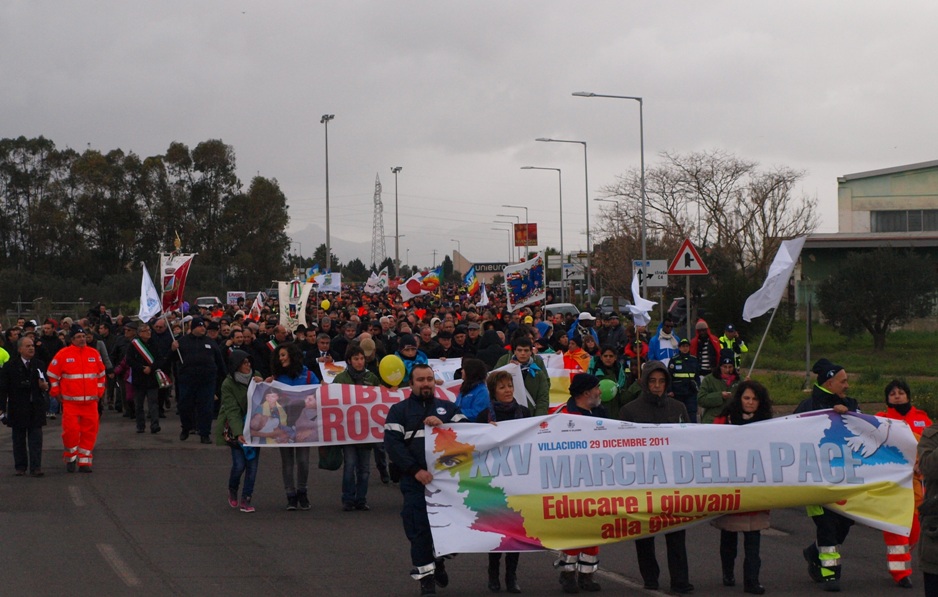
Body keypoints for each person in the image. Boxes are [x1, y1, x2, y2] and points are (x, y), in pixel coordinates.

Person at [384, 363, 467, 597]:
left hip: (448, 483)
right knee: (418, 529)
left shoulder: (450, 409)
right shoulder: (399, 411)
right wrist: (414, 470)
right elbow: (393, 444)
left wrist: (445, 427)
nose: (426, 384)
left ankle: (439, 558)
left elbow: (470, 435)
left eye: (429, 379)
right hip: (416, 482)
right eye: (420, 380)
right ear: (411, 384)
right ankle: (427, 579)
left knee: (451, 527)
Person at [619, 361, 693, 593]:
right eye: (652, 381)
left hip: (673, 483)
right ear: (645, 382)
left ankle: (680, 580)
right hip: (642, 484)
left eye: (661, 381)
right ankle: (650, 577)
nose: (657, 386)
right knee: (644, 535)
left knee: (676, 534)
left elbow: (691, 441)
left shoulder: (678, 408)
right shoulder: (630, 411)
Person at [794, 358, 859, 593]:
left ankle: (813, 552)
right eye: (843, 381)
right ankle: (830, 574)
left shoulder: (850, 405)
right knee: (827, 528)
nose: (847, 386)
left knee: (845, 523)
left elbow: (868, 428)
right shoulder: (807, 407)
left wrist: (849, 412)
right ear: (830, 383)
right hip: (816, 482)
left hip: (845, 480)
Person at [712, 380, 774, 595]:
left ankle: (752, 580)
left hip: (756, 488)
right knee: (729, 536)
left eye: (754, 399)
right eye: (746, 398)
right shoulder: (724, 420)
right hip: (731, 487)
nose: (750, 402)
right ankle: (727, 572)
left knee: (753, 538)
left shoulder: (769, 425)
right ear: (739, 399)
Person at [551, 373, 605, 593]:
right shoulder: (562, 416)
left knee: (593, 529)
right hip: (570, 482)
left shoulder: (601, 414)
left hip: (596, 481)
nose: (600, 391)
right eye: (597, 387)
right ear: (586, 393)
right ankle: (567, 573)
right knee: (573, 530)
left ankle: (587, 575)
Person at [875, 379, 930, 588]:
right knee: (896, 528)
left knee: (915, 529)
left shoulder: (922, 419)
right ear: (887, 399)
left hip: (917, 482)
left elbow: (931, 446)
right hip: (890, 484)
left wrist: (924, 464)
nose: (897, 396)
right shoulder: (880, 419)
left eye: (901, 392)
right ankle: (900, 573)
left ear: (908, 395)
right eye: (892, 393)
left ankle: (900, 561)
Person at [479, 369, 528, 593]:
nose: (508, 390)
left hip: (519, 478)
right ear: (493, 392)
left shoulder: (525, 414)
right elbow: (472, 445)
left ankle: (511, 575)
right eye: (502, 387)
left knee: (515, 531)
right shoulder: (484, 416)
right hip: (494, 481)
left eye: (509, 386)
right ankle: (492, 574)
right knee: (498, 531)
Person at [47, 324, 106, 473]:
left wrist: (99, 392)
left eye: (83, 336)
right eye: (78, 337)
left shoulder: (93, 354)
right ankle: (71, 458)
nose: (82, 339)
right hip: (71, 403)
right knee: (71, 432)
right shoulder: (63, 354)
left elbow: (101, 374)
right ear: (72, 339)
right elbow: (52, 374)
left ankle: (85, 462)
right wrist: (56, 391)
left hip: (91, 403)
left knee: (90, 432)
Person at [267, 342, 319, 511]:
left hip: (304, 425)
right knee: (287, 461)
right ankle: (290, 495)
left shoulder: (309, 375)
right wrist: (264, 383)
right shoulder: (277, 378)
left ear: (292, 355)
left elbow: (319, 395)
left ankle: (302, 491)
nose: (280, 359)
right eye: (279, 356)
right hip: (284, 425)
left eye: (283, 355)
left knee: (303, 461)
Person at [333, 344, 381, 511]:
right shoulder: (340, 379)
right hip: (348, 431)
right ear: (349, 361)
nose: (360, 362)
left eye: (361, 358)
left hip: (367, 431)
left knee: (365, 469)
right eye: (356, 359)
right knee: (350, 465)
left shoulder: (372, 378)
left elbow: (380, 399)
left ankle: (361, 499)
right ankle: (348, 498)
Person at [215, 350, 262, 513]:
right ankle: (233, 488)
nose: (248, 365)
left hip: (255, 427)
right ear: (236, 365)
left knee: (253, 466)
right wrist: (239, 433)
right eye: (244, 363)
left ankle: (246, 499)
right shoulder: (228, 384)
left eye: (249, 362)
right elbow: (232, 410)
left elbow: (266, 399)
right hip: (236, 427)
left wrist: (262, 384)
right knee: (239, 465)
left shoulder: (256, 376)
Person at [170, 317, 227, 444]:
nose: (203, 329)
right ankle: (186, 428)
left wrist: (226, 376)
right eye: (200, 326)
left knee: (206, 408)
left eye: (203, 326)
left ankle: (205, 433)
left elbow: (219, 361)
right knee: (185, 406)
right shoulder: (182, 342)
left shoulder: (210, 342)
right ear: (193, 328)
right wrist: (173, 350)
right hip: (187, 380)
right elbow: (172, 359)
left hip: (206, 381)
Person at [0, 336, 49, 476]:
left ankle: (36, 467)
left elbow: (47, 383)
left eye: (32, 345)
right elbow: (3, 389)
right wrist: (2, 407)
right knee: (18, 440)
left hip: (35, 407)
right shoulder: (10, 366)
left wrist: (45, 386)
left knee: (36, 440)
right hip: (18, 408)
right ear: (20, 349)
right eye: (27, 346)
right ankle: (20, 467)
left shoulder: (39, 364)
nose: (31, 348)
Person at [125, 322, 166, 434]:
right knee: (139, 404)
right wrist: (141, 368)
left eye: (149, 330)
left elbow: (160, 359)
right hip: (139, 379)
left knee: (153, 403)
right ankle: (140, 425)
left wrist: (151, 368)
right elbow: (129, 360)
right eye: (145, 331)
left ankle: (155, 425)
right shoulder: (134, 345)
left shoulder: (155, 343)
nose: (148, 332)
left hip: (152, 378)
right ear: (140, 333)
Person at [495, 337, 550, 416]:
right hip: (507, 415)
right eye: (519, 350)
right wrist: (508, 369)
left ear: (531, 352)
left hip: (531, 414)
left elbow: (543, 398)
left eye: (526, 350)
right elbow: (493, 386)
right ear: (514, 352)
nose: (523, 353)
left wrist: (538, 419)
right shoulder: (505, 366)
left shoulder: (538, 373)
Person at [698, 349, 741, 424]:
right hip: (712, 420)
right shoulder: (709, 379)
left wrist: (749, 385)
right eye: (724, 367)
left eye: (730, 367)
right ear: (720, 366)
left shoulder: (740, 381)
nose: (727, 370)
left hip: (733, 420)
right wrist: (719, 396)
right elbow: (701, 399)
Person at [668, 339, 700, 423]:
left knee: (692, 414)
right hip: (678, 392)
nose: (685, 348)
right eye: (683, 346)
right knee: (677, 414)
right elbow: (669, 376)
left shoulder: (694, 360)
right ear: (679, 348)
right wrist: (670, 390)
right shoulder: (674, 360)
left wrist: (698, 388)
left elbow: (697, 376)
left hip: (691, 392)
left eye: (686, 346)